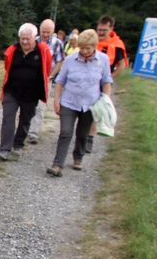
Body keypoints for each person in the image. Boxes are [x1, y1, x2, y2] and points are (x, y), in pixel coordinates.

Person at [47, 29, 113, 176]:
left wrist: (106, 100)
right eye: (81, 48)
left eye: (87, 48)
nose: (84, 51)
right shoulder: (70, 60)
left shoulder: (103, 60)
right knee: (65, 132)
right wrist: (56, 100)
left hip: (90, 104)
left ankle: (78, 157)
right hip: (69, 102)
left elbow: (106, 82)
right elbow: (60, 81)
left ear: (94, 46)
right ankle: (57, 164)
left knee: (83, 134)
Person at [0, 23, 52, 161]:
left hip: (32, 94)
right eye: (22, 38)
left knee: (25, 120)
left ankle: (18, 144)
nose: (25, 41)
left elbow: (46, 70)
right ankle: (5, 148)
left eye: (28, 39)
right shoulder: (12, 50)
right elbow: (7, 67)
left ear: (35, 38)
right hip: (12, 91)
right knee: (8, 117)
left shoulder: (43, 51)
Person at [86, 15, 128, 153]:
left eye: (104, 30)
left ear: (111, 29)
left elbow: (122, 64)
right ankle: (81, 134)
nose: (101, 33)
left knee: (96, 110)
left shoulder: (116, 45)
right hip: (86, 80)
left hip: (102, 83)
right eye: (99, 29)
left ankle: (89, 138)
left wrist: (109, 78)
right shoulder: (91, 40)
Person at [27, 18, 65, 144]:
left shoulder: (58, 43)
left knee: (40, 106)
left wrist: (51, 76)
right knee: (28, 104)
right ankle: (25, 127)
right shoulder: (34, 41)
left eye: (48, 32)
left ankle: (33, 132)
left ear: (53, 31)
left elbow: (60, 62)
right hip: (31, 79)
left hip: (46, 79)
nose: (45, 34)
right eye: (43, 31)